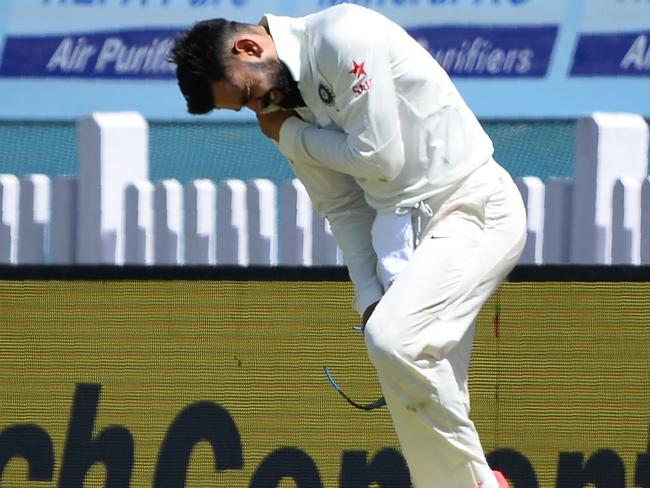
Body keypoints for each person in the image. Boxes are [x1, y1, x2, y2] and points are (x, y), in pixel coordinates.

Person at [170, 4, 526, 487]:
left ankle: (482, 485)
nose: (260, 109)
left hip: (473, 208)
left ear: (250, 48)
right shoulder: (282, 106)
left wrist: (294, 136)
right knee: (418, 388)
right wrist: (369, 296)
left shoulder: (343, 37)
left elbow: (380, 158)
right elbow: (342, 207)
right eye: (248, 107)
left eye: (251, 94)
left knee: (394, 342)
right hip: (402, 238)